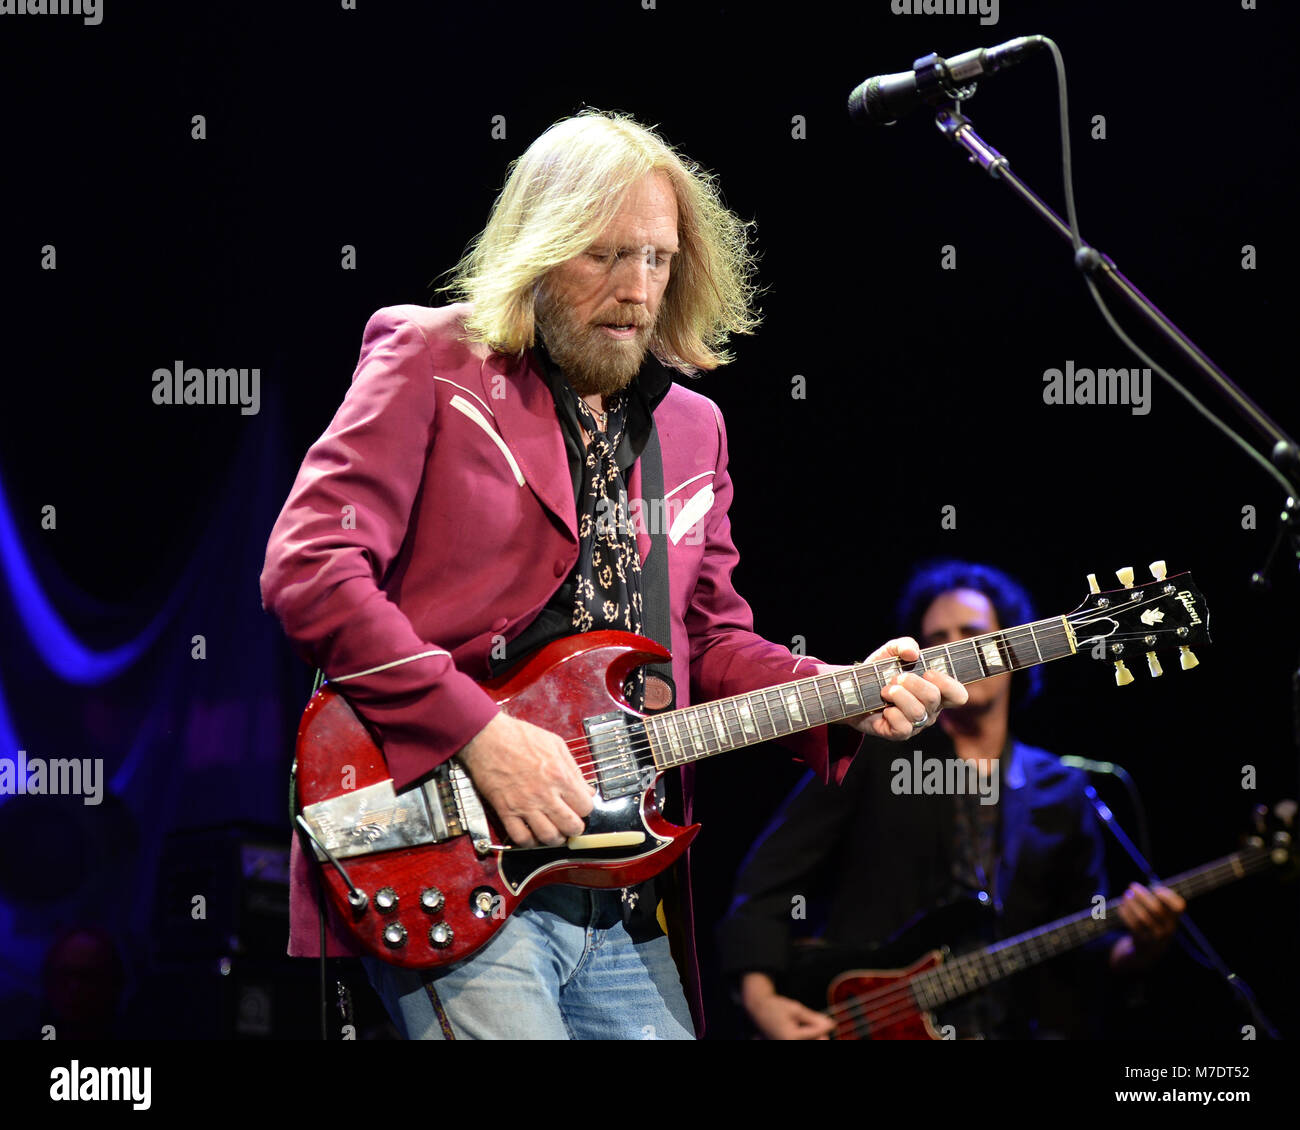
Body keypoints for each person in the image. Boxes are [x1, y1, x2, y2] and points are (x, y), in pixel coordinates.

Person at [259, 111, 967, 1040]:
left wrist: (834, 692)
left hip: (616, 886)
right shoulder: (434, 359)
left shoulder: (692, 429)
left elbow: (706, 641)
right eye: (604, 256)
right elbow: (310, 568)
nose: (637, 291)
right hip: (446, 847)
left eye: (658, 260)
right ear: (541, 247)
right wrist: (480, 735)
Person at [720, 560, 1185, 1040]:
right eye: (937, 639)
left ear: (1013, 649)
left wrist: (1139, 948)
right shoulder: (877, 754)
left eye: (973, 633)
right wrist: (762, 1000)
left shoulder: (1060, 787)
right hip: (866, 1019)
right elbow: (766, 881)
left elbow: (1079, 945)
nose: (954, 651)